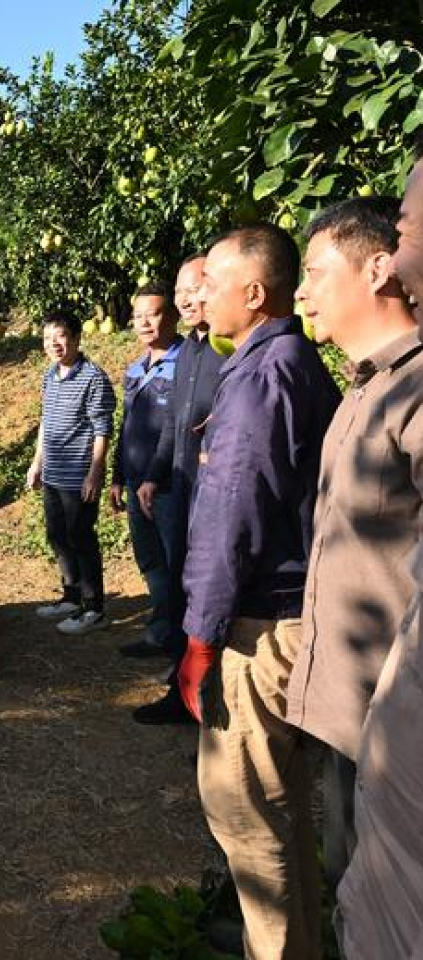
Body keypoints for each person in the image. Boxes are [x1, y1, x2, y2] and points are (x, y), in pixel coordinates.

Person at [176, 223, 341, 959]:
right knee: (281, 819)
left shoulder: (260, 378)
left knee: (249, 821)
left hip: (259, 628)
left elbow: (230, 515)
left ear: (253, 291)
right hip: (288, 617)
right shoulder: (290, 362)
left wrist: (202, 634)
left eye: (209, 280)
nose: (197, 292)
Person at [284, 197, 423, 915]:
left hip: (389, 729)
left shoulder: (415, 393)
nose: (301, 292)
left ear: (378, 269)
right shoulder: (360, 388)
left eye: (313, 271)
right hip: (347, 716)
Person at [339, 159, 423, 959]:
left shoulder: (412, 391)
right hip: (361, 712)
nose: (402, 227)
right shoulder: (364, 385)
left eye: (410, 212)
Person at [130, 254, 225, 725]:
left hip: (215, 498)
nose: (189, 298)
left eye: (198, 287)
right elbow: (173, 422)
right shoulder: (188, 350)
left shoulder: (230, 352)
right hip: (181, 491)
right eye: (182, 290)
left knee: (205, 599)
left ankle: (207, 705)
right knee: (181, 590)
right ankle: (183, 690)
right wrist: (152, 475)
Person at [25, 311, 116, 635]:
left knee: (81, 538)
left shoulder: (94, 378)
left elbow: (103, 429)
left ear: (76, 338)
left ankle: (94, 607)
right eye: (48, 338)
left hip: (79, 478)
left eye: (60, 336)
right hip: (52, 474)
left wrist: (95, 474)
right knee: (57, 537)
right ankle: (71, 596)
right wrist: (37, 463)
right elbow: (46, 423)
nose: (54, 344)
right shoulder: (50, 375)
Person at [108, 282, 184, 658]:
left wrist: (155, 477)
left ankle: (180, 642)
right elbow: (127, 426)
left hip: (168, 486)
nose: (144, 323)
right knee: (151, 562)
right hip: (137, 483)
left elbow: (175, 427)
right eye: (138, 316)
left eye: (152, 314)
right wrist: (118, 476)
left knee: (175, 565)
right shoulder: (136, 369)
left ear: (171, 317)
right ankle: (161, 631)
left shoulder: (186, 362)